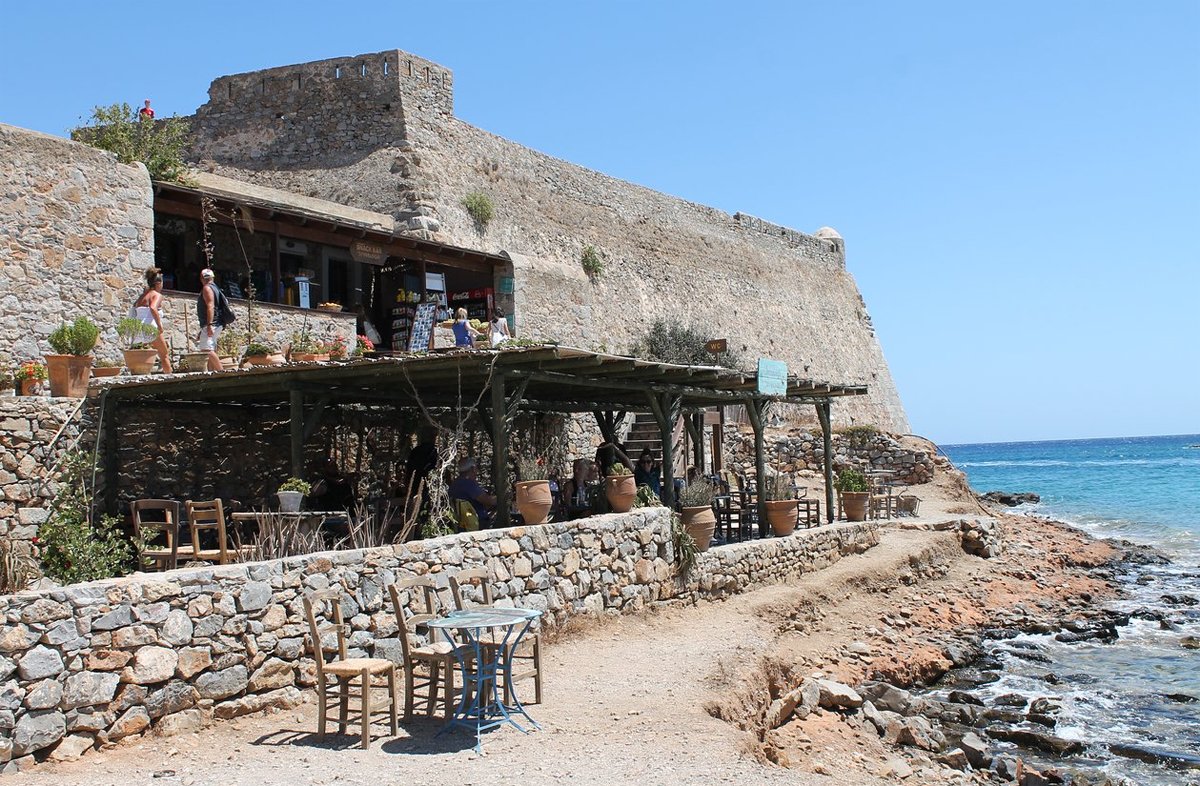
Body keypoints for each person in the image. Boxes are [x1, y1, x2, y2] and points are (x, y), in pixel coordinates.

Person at [131, 267, 173, 374]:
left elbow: (135, 309)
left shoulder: (142, 296)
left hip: (139, 328)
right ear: (158, 283)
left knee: (140, 360)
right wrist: (159, 326)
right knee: (164, 356)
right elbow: (153, 308)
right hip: (151, 327)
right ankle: (170, 379)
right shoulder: (157, 295)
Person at [196, 268, 230, 372]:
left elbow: (210, 306)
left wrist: (209, 324)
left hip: (213, 323)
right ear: (213, 278)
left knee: (206, 349)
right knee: (210, 349)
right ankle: (213, 375)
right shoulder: (216, 288)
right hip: (217, 323)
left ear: (201, 278)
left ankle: (222, 374)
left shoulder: (207, 288)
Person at [448, 457, 496, 528]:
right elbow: (489, 501)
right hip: (476, 522)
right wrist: (503, 498)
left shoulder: (455, 484)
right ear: (473, 468)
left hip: (460, 523)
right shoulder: (468, 484)